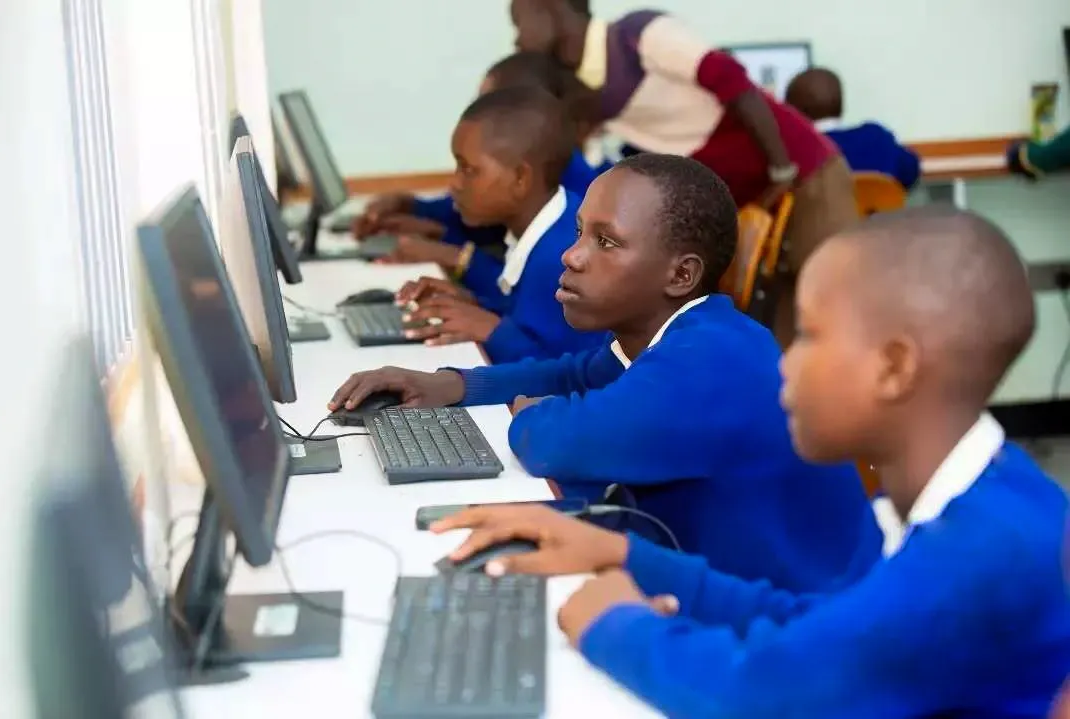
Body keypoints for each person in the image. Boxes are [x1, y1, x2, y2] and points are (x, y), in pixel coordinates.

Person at [429, 206, 1070, 718]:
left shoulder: (978, 554)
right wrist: (620, 558)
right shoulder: (962, 498)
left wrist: (612, 623)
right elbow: (817, 623)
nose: (784, 363)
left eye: (810, 337)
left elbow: (761, 691)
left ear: (895, 367)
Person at [331, 154, 881, 594]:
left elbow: (550, 441)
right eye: (579, 233)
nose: (572, 256)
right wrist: (455, 385)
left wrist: (530, 413)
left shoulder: (711, 362)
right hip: (724, 580)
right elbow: (576, 373)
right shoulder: (672, 332)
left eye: (607, 242)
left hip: (796, 624)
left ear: (680, 274)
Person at [508, 0, 858, 346]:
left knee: (835, 297)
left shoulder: (638, 34)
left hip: (805, 173)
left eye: (519, 24)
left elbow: (735, 83)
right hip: (758, 194)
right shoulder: (587, 86)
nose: (518, 40)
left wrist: (781, 169)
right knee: (790, 316)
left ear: (547, 8)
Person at [354, 51, 608, 289]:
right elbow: (461, 214)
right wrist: (415, 209)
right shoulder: (537, 180)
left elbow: (530, 294)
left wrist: (456, 258)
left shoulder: (577, 204)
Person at [387, 85, 605, 362]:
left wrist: (491, 329)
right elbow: (530, 319)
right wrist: (475, 303)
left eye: (468, 169)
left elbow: (567, 371)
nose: (454, 184)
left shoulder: (565, 256)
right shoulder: (551, 225)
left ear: (520, 179)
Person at [785, 67, 921, 190]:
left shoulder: (795, 151)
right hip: (878, 216)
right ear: (841, 105)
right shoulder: (877, 137)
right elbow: (910, 171)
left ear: (791, 112)